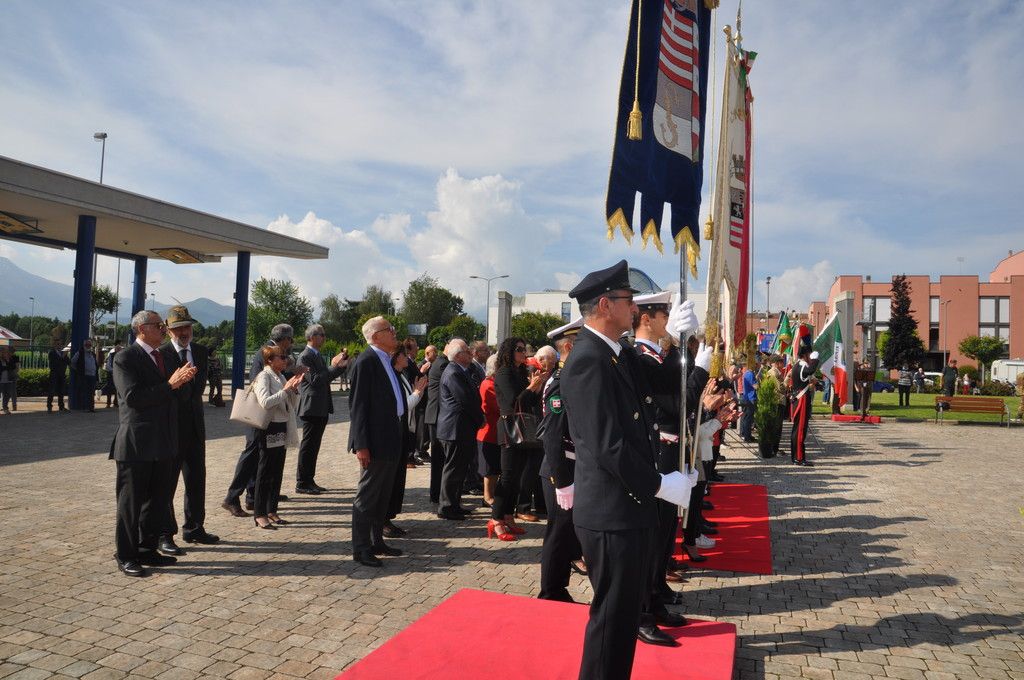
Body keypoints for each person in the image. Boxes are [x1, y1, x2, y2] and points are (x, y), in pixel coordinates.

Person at [560, 260, 698, 680]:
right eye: (628, 299)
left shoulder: (615, 353)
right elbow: (608, 445)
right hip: (611, 512)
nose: (635, 307)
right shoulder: (588, 359)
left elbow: (661, 383)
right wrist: (660, 484)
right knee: (612, 621)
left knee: (621, 620)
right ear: (605, 305)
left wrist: (679, 341)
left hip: (627, 507)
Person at [630, 291, 704, 644]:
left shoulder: (657, 356)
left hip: (668, 450)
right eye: (664, 314)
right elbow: (676, 402)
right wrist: (696, 367)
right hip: (656, 453)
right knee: (652, 534)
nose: (668, 320)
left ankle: (655, 596)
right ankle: (643, 609)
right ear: (647, 318)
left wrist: (679, 349)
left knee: (663, 533)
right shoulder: (639, 357)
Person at [110, 310, 197, 577]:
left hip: (163, 441)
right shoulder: (126, 358)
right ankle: (126, 554)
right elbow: (133, 397)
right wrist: (170, 385)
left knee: (156, 501)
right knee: (131, 503)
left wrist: (183, 382)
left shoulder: (165, 357)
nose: (163, 329)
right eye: (158, 325)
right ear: (141, 329)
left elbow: (177, 396)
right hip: (136, 443)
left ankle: (147, 549)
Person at [222, 324, 304, 517]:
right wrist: (287, 381)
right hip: (260, 417)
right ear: (284, 339)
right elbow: (258, 380)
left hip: (271, 418)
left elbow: (278, 379)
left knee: (260, 459)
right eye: (291, 340)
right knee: (251, 456)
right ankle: (232, 497)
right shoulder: (266, 352)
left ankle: (256, 495)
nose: (291, 344)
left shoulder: (275, 355)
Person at [158, 306, 219, 550]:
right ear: (168, 331)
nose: (184, 332)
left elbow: (198, 390)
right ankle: (164, 534)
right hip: (171, 428)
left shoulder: (200, 351)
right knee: (167, 483)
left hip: (195, 426)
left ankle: (194, 528)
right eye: (178, 328)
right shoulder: (161, 354)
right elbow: (165, 392)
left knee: (196, 480)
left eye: (187, 327)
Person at [348, 316, 407, 568]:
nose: (394, 332)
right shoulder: (366, 361)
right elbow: (358, 406)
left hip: (391, 436)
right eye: (388, 329)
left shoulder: (385, 359)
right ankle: (361, 548)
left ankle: (377, 541)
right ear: (375, 337)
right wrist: (361, 444)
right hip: (374, 441)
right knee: (368, 496)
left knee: (382, 496)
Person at [538, 319, 585, 596]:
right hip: (560, 468)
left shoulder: (571, 378)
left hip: (572, 463)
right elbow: (553, 436)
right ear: (568, 347)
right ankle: (550, 591)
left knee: (566, 531)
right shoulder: (558, 383)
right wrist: (563, 481)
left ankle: (558, 587)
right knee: (558, 531)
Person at [490, 336, 548, 539]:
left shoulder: (520, 371)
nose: (524, 353)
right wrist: (532, 387)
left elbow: (528, 402)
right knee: (507, 476)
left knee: (518, 476)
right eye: (520, 349)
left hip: (523, 427)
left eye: (525, 349)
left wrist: (536, 387)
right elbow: (513, 402)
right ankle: (496, 519)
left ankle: (508, 516)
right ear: (509, 352)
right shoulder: (504, 373)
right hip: (509, 428)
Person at [252, 346, 303, 529]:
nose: (285, 360)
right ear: (270, 360)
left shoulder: (280, 376)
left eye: (285, 356)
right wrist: (285, 390)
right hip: (269, 427)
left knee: (276, 471)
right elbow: (265, 402)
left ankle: (272, 510)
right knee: (265, 471)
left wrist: (294, 390)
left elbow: (291, 405)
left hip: (282, 425)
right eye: (281, 357)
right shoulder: (264, 376)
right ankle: (259, 513)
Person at [295, 323, 348, 495]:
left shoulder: (316, 355)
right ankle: (302, 482)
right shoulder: (305, 356)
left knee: (314, 446)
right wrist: (334, 366)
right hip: (311, 407)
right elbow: (316, 380)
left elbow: (326, 377)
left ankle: (309, 480)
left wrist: (340, 366)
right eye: (321, 335)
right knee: (308, 446)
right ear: (311, 337)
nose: (324, 337)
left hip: (320, 406)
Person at [436, 338, 485, 520]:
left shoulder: (461, 370)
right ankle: (446, 507)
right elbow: (466, 400)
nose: (471, 353)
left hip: (462, 428)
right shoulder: (453, 373)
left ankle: (454, 504)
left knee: (460, 469)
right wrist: (480, 418)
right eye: (466, 351)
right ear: (457, 356)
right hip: (454, 429)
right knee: (453, 469)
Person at [385, 349, 427, 538]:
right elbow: (400, 407)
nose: (407, 359)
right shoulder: (392, 376)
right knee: (391, 481)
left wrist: (418, 392)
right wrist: (417, 393)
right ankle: (384, 520)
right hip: (396, 431)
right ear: (396, 358)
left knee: (398, 480)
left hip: (405, 430)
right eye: (403, 356)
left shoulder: (400, 375)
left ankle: (389, 518)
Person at [476, 355, 501, 508]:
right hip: (489, 432)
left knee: (495, 468)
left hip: (495, 431)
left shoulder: (494, 383)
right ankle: (487, 496)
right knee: (489, 469)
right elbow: (498, 406)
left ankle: (491, 495)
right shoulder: (488, 384)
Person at [791, 347, 819, 466]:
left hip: (799, 398)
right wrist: (815, 359)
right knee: (800, 430)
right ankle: (799, 458)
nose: (810, 357)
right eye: (809, 354)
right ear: (805, 355)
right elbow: (810, 370)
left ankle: (796, 456)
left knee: (798, 429)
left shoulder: (797, 365)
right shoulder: (802, 365)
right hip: (801, 400)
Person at [71, 339, 99, 412]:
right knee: (84, 392)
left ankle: (91, 408)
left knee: (91, 392)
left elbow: (96, 365)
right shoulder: (79, 353)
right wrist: (79, 370)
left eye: (89, 345)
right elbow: (72, 362)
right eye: (87, 345)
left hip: (92, 376)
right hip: (84, 376)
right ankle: (85, 407)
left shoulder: (93, 354)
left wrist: (96, 377)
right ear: (84, 345)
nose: (88, 346)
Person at [47, 340, 69, 412]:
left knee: (61, 391)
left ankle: (61, 407)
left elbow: (68, 362)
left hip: (62, 375)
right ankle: (49, 407)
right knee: (51, 391)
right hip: (54, 375)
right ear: (54, 345)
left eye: (60, 344)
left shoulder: (63, 353)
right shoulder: (52, 353)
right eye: (57, 344)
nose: (59, 346)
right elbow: (53, 364)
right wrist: (62, 357)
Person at [739, 359, 758, 442]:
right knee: (748, 418)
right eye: (755, 364)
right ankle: (747, 436)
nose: (757, 365)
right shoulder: (750, 373)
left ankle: (747, 435)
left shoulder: (747, 373)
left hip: (747, 398)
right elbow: (755, 386)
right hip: (750, 398)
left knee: (747, 417)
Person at [0, 347, 17, 414]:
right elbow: (1, 368)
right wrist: (6, 367)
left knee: (7, 395)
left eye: (5, 352)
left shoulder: (8, 359)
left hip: (8, 380)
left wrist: (8, 360)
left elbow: (13, 367)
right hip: (0, 381)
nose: (5, 353)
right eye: (3, 352)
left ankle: (5, 408)